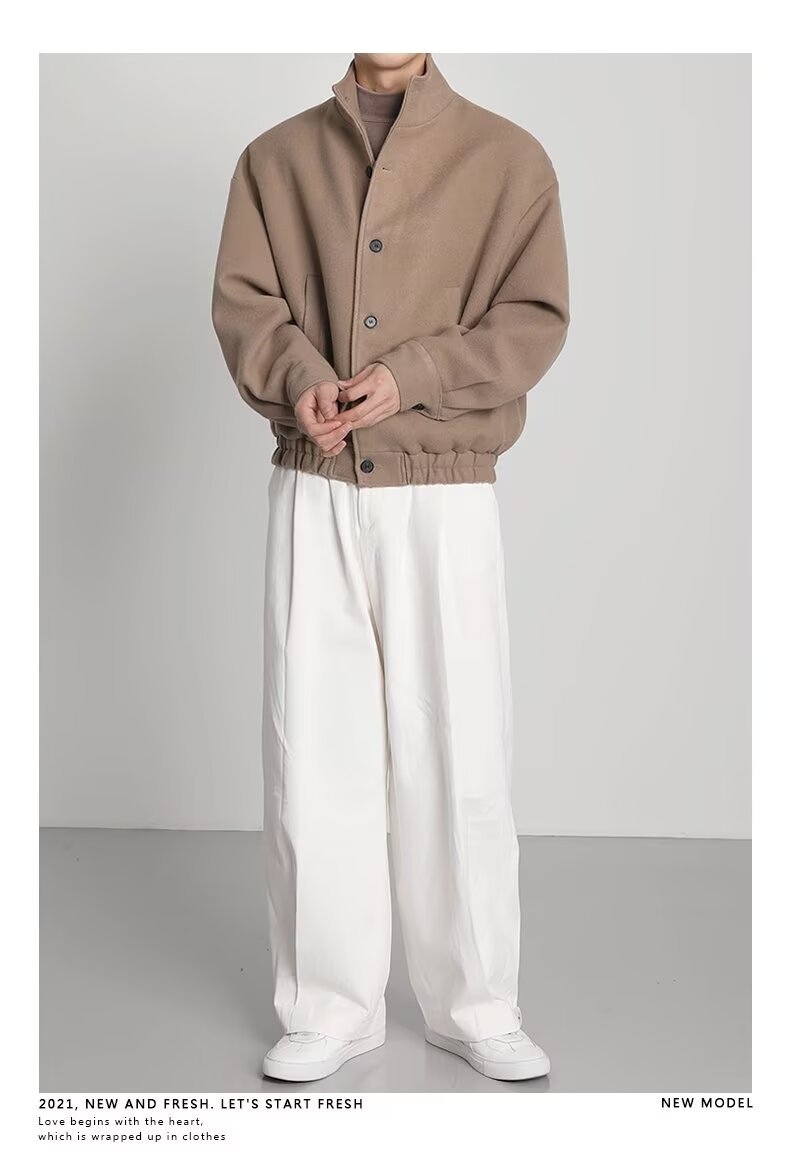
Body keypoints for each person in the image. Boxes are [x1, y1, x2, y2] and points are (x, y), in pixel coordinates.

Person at [212, 52, 569, 1083]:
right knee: (312, 751)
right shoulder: (275, 159)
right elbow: (246, 305)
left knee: (460, 749)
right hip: (315, 481)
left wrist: (410, 375)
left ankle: (476, 1002)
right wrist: (301, 381)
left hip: (443, 493)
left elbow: (532, 321)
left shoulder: (507, 159)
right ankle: (330, 1006)